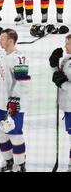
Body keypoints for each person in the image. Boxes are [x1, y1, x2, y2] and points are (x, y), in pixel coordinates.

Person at [0, 29, 31, 172]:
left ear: (10, 41)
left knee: (14, 134)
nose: (0, 41)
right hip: (1, 103)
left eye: (2, 39)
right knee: (0, 133)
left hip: (14, 104)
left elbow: (23, 81)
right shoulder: (3, 55)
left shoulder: (19, 58)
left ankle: (20, 165)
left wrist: (14, 99)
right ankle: (9, 162)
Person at [49, 34, 71, 172]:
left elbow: (62, 81)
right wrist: (53, 65)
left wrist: (62, 83)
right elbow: (58, 76)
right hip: (68, 106)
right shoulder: (66, 60)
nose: (65, 46)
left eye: (68, 43)